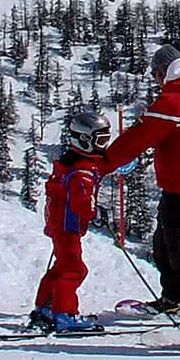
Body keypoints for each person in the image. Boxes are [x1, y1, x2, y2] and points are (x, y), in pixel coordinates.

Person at [104, 44, 180, 316]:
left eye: (155, 74)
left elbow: (137, 139)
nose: (155, 80)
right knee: (163, 245)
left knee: (179, 250)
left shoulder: (171, 103)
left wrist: (102, 164)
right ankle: (175, 298)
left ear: (165, 72)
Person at [30, 112, 111, 333]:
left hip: (60, 226)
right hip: (68, 227)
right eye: (101, 140)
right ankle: (65, 315)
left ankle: (44, 308)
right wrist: (95, 213)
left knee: (61, 268)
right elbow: (82, 202)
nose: (105, 147)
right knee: (74, 269)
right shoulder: (83, 170)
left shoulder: (69, 162)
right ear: (85, 140)